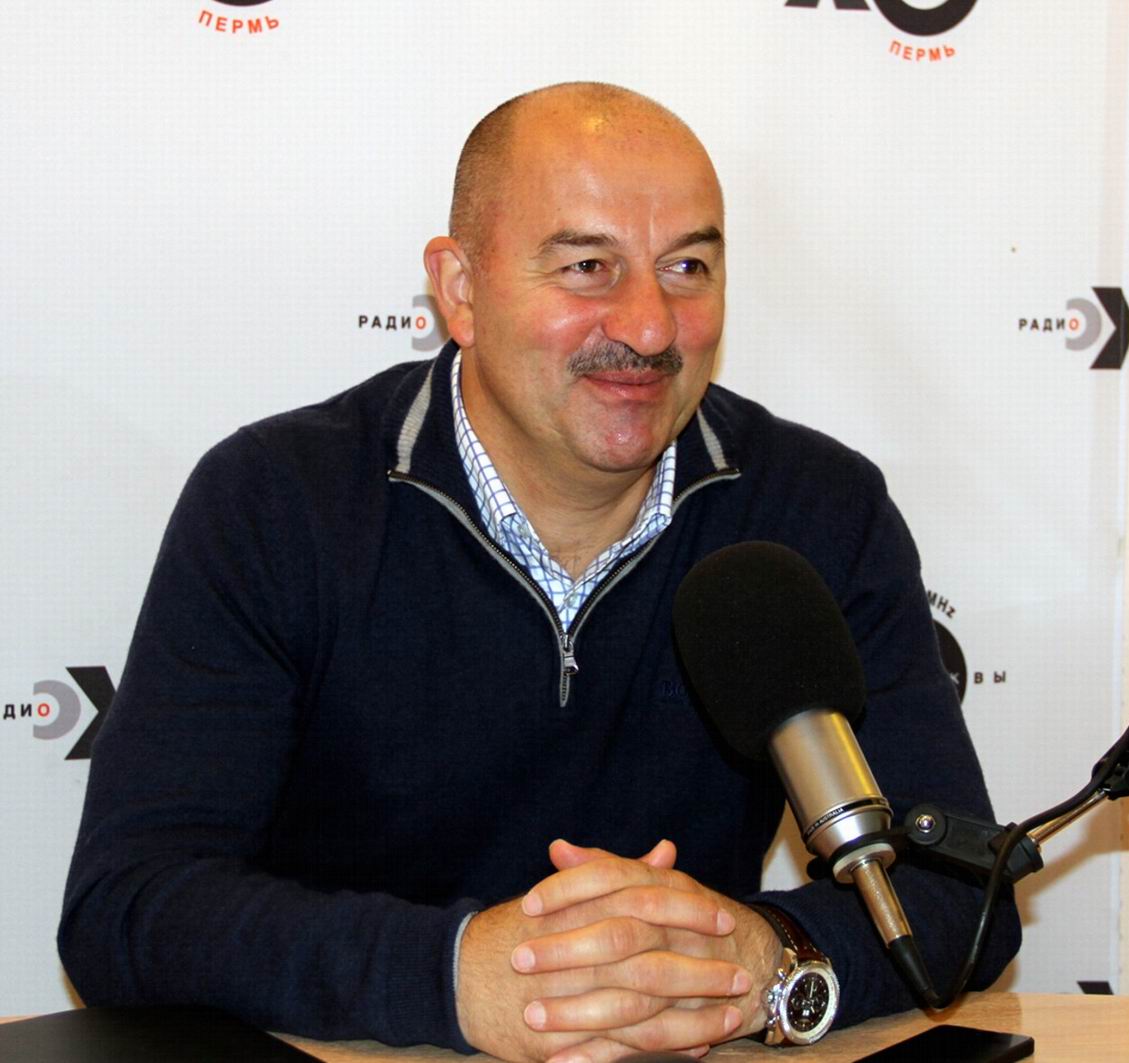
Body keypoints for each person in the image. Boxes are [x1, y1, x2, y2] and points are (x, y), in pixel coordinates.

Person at [57, 83, 1019, 1063]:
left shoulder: (816, 510)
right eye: (587, 267)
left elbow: (958, 895)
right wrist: (459, 973)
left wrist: (760, 960)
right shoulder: (277, 502)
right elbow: (130, 905)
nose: (649, 326)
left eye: (687, 267)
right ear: (459, 288)